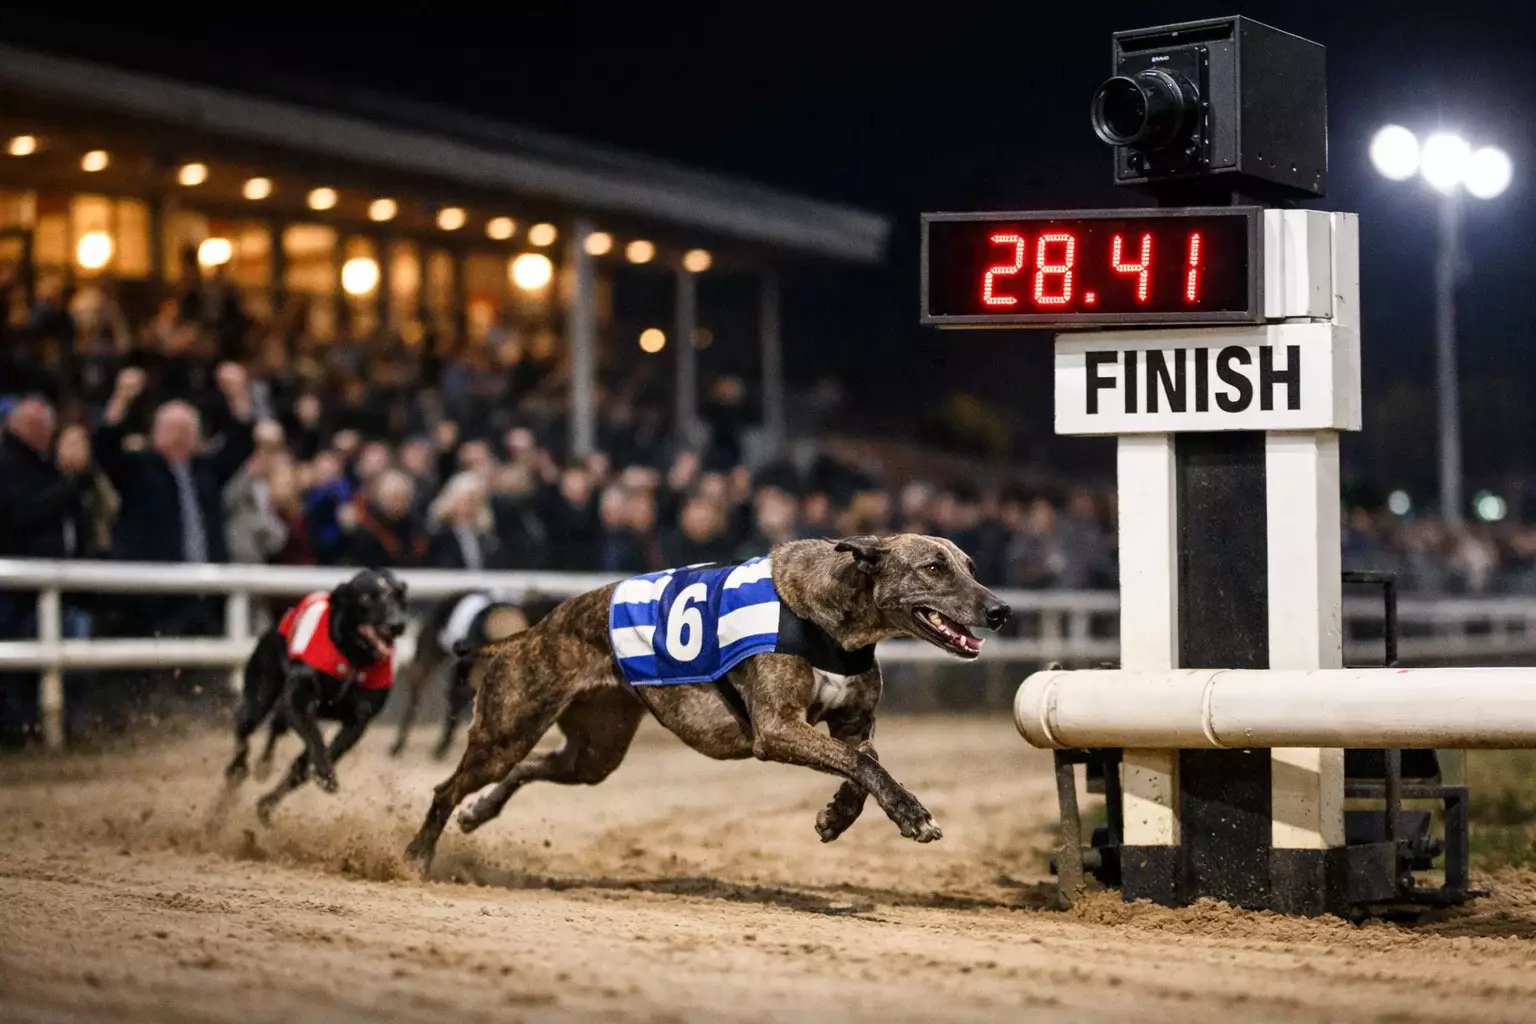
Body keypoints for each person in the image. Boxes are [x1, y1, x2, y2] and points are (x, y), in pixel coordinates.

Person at [426, 472, 500, 570]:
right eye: (465, 501)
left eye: (474, 501)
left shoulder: (486, 538)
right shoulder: (439, 535)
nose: (469, 507)